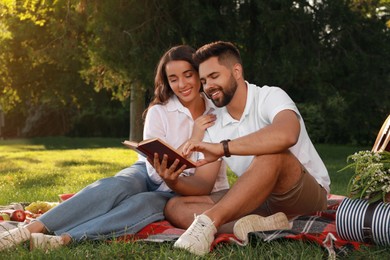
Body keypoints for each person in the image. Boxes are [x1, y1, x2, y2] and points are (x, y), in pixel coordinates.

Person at [0, 45, 229, 252]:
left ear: (199, 74)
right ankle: (27, 231)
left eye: (188, 75)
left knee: (141, 204)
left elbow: (202, 184)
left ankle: (64, 240)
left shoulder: (216, 114)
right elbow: (152, 173)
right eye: (173, 79)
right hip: (149, 172)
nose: (182, 84)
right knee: (115, 185)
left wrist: (193, 141)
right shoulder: (159, 111)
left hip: (183, 188)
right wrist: (192, 139)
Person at [156, 41, 330, 256]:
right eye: (203, 80)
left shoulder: (269, 96)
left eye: (214, 76)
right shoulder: (213, 121)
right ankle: (259, 226)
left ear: (236, 71)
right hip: (260, 199)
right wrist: (173, 180)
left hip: (302, 194)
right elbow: (202, 184)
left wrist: (224, 148)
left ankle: (207, 224)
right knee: (176, 207)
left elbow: (287, 135)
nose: (208, 86)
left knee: (273, 154)